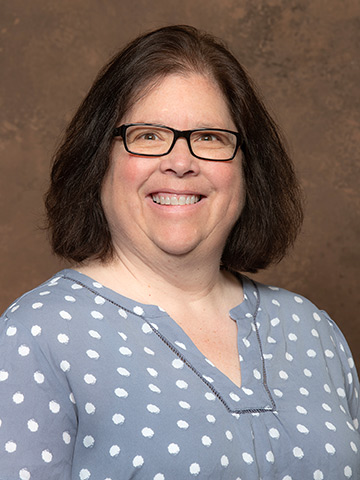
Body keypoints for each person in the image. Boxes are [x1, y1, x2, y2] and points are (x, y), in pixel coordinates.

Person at [0, 25, 358, 480]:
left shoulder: (312, 331)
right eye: (148, 136)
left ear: (248, 168)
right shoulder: (36, 337)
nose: (181, 161)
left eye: (210, 137)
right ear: (99, 160)